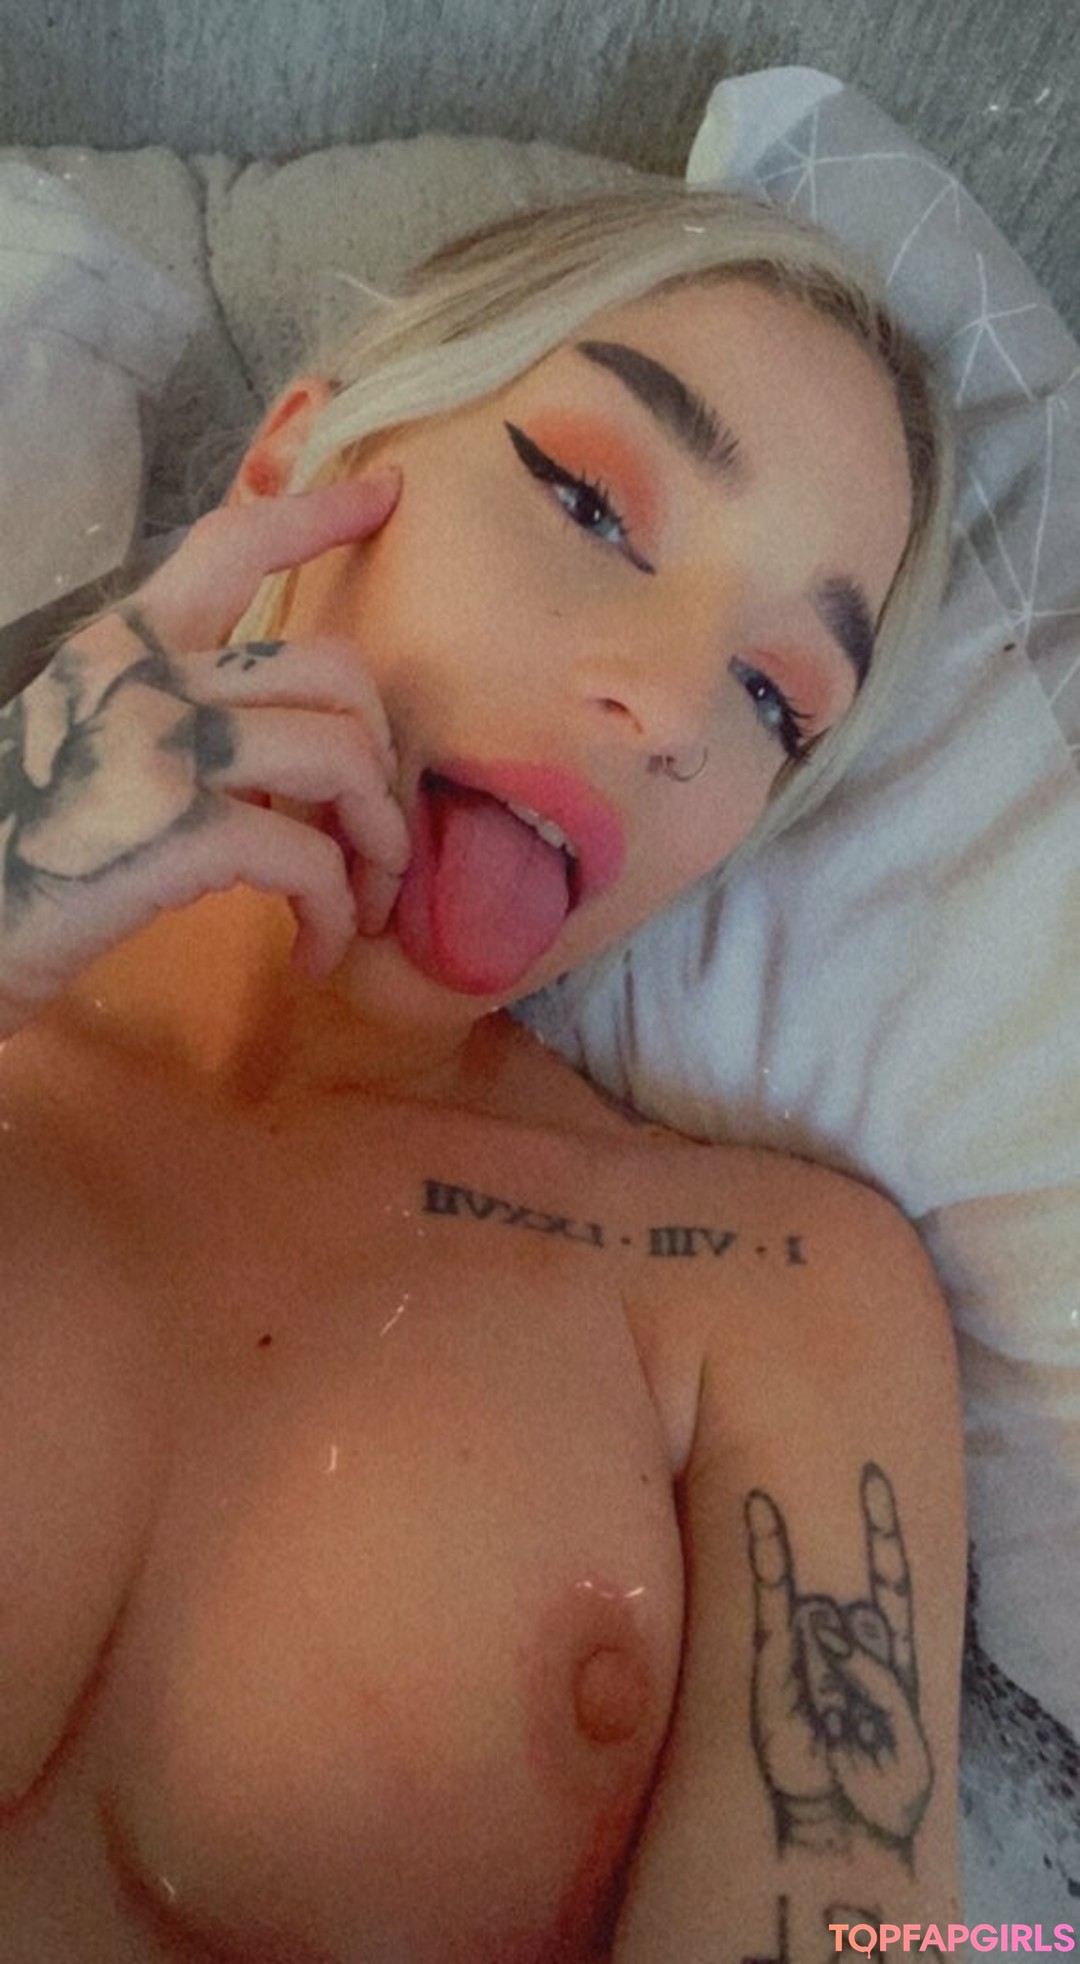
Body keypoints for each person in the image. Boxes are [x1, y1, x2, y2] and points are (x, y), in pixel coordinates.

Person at [0, 184, 965, 1963]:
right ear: (298, 468)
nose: (670, 707)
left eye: (774, 701)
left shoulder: (778, 1298)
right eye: (591, 503)